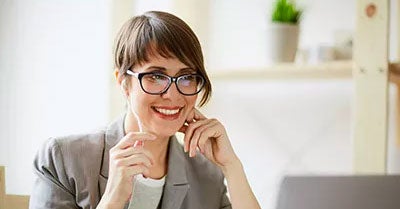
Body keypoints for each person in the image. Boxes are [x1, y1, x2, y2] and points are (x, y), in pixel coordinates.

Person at [29, 11, 261, 209]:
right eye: (156, 76)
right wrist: (112, 200)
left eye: (186, 77)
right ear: (123, 82)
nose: (173, 94)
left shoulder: (207, 175)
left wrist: (232, 167)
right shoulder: (63, 159)